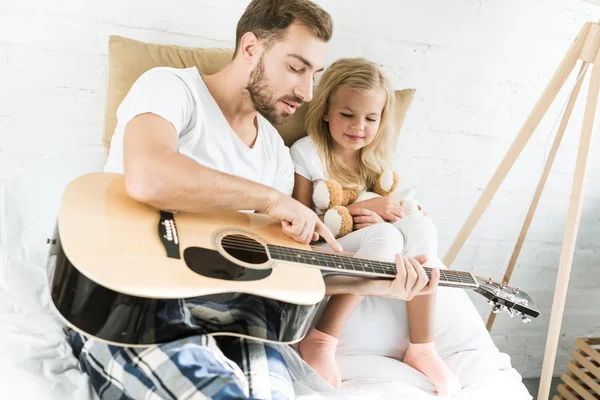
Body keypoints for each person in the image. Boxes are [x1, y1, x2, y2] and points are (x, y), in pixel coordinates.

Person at [69, 1, 438, 399]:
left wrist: (370, 284)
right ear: (250, 48)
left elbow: (278, 272)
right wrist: (270, 200)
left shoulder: (276, 155)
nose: (307, 91)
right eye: (296, 68)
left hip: (237, 321)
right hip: (133, 300)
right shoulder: (171, 89)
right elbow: (148, 176)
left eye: (314, 74)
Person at [290, 58, 460, 396]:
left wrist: (388, 213)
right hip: (321, 250)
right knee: (383, 237)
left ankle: (422, 347)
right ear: (326, 111)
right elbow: (300, 227)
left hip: (362, 243)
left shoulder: (375, 161)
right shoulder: (306, 153)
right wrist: (359, 210)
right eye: (347, 115)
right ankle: (322, 339)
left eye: (371, 118)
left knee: (420, 226)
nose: (359, 127)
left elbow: (389, 211)